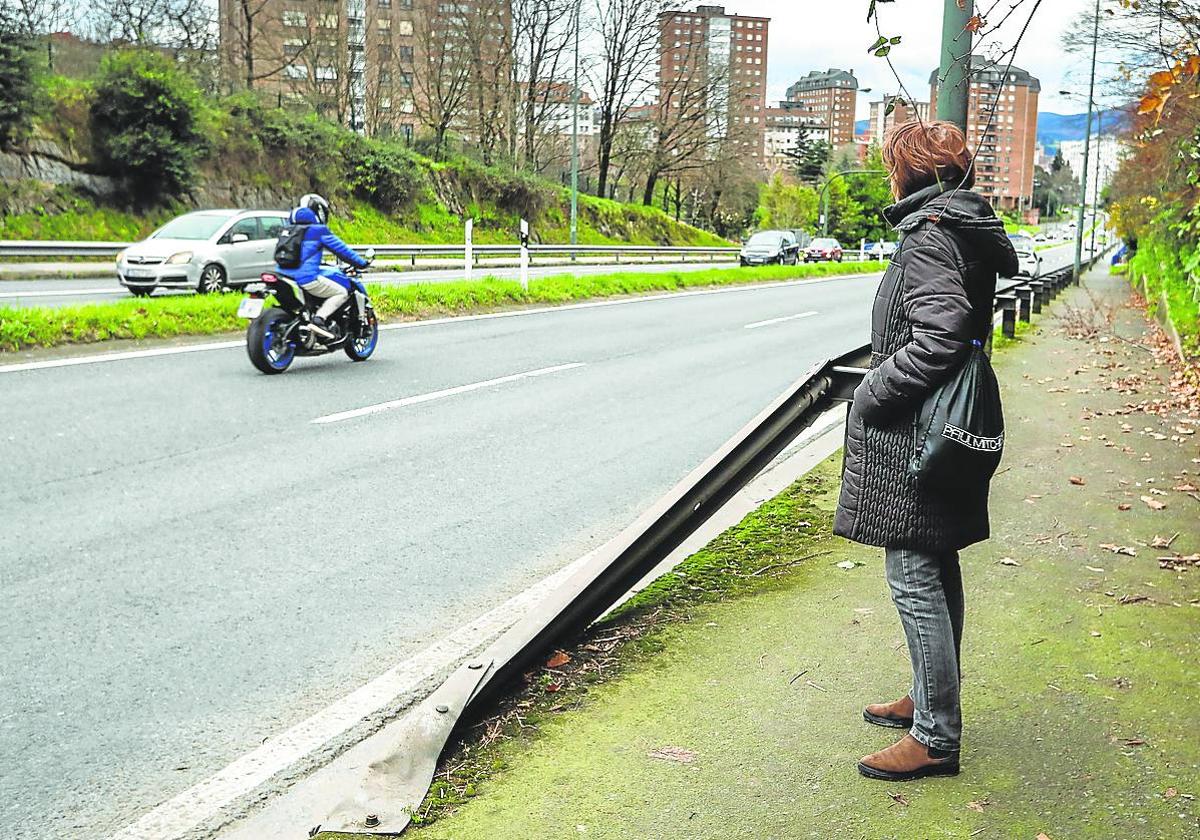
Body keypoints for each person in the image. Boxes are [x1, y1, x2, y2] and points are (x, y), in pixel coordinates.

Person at [833, 120, 1018, 782]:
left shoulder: (930, 238)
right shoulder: (960, 228)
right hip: (943, 427)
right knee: (936, 563)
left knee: (913, 572)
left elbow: (939, 337)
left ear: (907, 172)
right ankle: (929, 696)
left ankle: (936, 735)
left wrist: (873, 391)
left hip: (918, 432)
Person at [278, 194, 369, 340]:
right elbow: (342, 250)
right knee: (341, 292)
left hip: (283, 275)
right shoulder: (318, 230)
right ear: (319, 212)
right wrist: (361, 263)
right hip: (305, 278)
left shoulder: (288, 229)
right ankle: (319, 319)